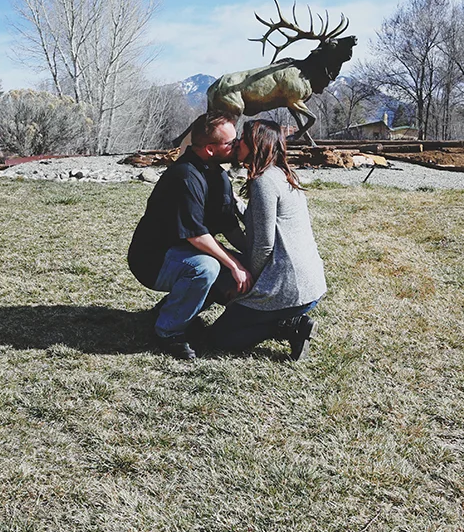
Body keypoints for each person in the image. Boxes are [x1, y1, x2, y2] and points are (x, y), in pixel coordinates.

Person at [128, 112, 253, 359]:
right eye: (230, 142)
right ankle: (168, 332)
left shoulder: (217, 174)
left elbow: (229, 227)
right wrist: (235, 265)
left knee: (238, 264)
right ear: (209, 149)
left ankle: (169, 310)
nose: (237, 144)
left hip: (184, 252)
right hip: (153, 260)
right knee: (206, 267)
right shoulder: (185, 177)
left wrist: (251, 256)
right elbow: (196, 237)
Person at [207, 119, 325, 361]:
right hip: (309, 285)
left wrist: (250, 282)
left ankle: (288, 326)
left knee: (217, 340)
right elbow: (258, 218)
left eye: (243, 139)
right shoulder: (282, 175)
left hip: (287, 288)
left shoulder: (264, 182)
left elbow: (263, 245)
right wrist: (228, 199)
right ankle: (282, 319)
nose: (237, 143)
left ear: (257, 144)